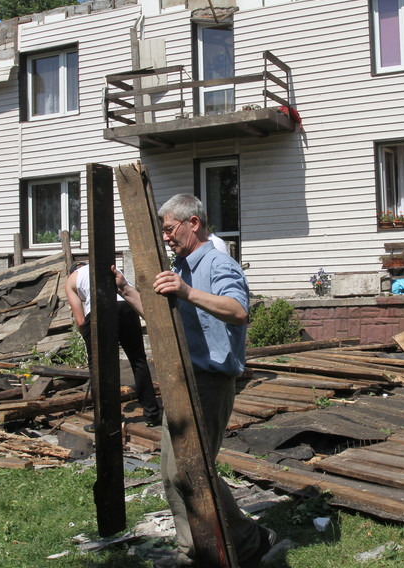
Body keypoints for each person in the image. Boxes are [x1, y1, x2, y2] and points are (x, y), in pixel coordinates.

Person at [115, 193, 276, 568]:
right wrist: (126, 290)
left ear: (194, 223)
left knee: (190, 470)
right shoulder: (180, 266)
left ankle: (238, 542)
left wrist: (187, 291)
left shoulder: (219, 264)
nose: (166, 236)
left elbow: (238, 312)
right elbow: (164, 316)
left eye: (170, 229)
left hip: (211, 381)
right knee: (173, 473)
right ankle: (196, 548)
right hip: (181, 380)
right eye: (163, 230)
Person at [65, 264, 162, 427]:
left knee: (97, 367)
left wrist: (88, 338)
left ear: (74, 270)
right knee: (138, 361)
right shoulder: (107, 265)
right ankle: (152, 414)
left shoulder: (71, 279)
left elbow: (80, 321)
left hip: (98, 311)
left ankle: (105, 420)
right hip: (126, 306)